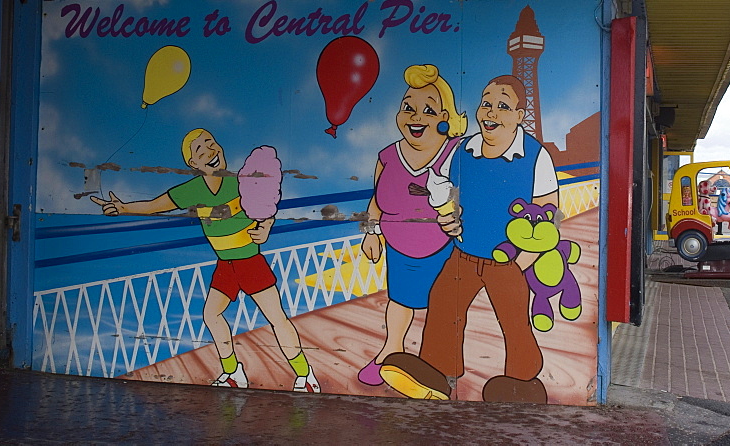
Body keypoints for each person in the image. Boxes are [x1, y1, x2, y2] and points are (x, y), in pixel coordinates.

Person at [91, 129, 319, 392]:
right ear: (193, 164)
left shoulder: (240, 182)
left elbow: (266, 206)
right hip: (226, 265)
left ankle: (305, 375)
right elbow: (156, 205)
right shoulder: (192, 190)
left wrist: (265, 228)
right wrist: (124, 208)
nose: (210, 151)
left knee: (276, 318)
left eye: (211, 144)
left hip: (249, 261)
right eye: (200, 150)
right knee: (211, 314)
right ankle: (233, 372)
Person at [379, 75, 559, 403]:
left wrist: (522, 261)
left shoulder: (535, 155)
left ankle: (522, 380)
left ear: (520, 115)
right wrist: (446, 217)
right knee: (444, 303)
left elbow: (550, 211)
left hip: (507, 259)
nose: (491, 111)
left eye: (503, 105)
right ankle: (437, 373)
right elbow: (441, 187)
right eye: (486, 103)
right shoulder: (464, 150)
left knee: (514, 317)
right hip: (463, 253)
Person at [358, 64, 466, 386]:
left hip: (443, 247)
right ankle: (389, 354)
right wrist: (371, 232)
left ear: (445, 117)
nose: (416, 117)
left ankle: (435, 366)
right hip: (398, 245)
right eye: (408, 107)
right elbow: (376, 198)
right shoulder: (388, 156)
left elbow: (470, 198)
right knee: (400, 303)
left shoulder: (456, 153)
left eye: (428, 110)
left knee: (442, 309)